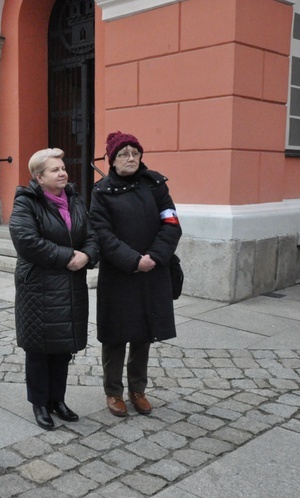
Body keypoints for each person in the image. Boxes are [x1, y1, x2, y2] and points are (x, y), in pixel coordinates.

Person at [89, 131, 182, 417]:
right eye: (123, 154)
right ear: (111, 159)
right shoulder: (101, 192)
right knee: (116, 335)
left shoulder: (155, 185)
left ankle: (137, 389)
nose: (130, 159)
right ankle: (113, 391)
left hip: (152, 271)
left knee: (144, 334)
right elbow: (102, 235)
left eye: (135, 153)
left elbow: (171, 222)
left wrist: (154, 256)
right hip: (120, 274)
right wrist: (133, 260)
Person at [9, 148, 99, 430]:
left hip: (70, 286)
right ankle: (39, 404)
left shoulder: (73, 199)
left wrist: (88, 255)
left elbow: (92, 235)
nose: (62, 172)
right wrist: (69, 257)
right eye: (55, 170)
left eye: (62, 167)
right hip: (38, 287)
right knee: (38, 348)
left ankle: (57, 400)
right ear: (39, 177)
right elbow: (26, 241)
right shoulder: (26, 203)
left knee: (63, 347)